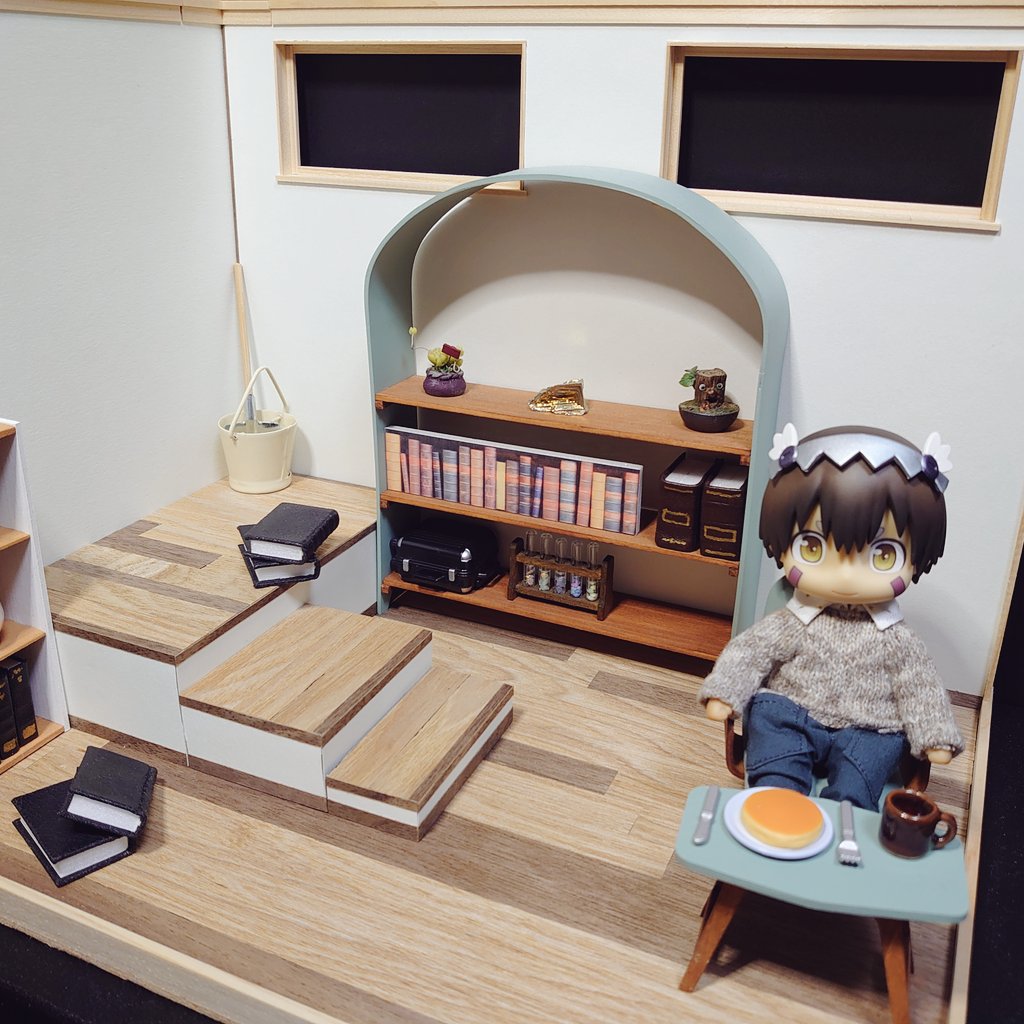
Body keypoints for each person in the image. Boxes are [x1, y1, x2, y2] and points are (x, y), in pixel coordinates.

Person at [698, 424, 962, 809]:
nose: (846, 576)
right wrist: (726, 691)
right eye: (813, 547)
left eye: (883, 555)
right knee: (771, 724)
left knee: (865, 773)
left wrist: (934, 733)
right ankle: (776, 794)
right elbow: (750, 652)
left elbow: (919, 684)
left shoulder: (896, 637)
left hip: (867, 727)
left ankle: (847, 815)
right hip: (793, 712)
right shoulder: (792, 621)